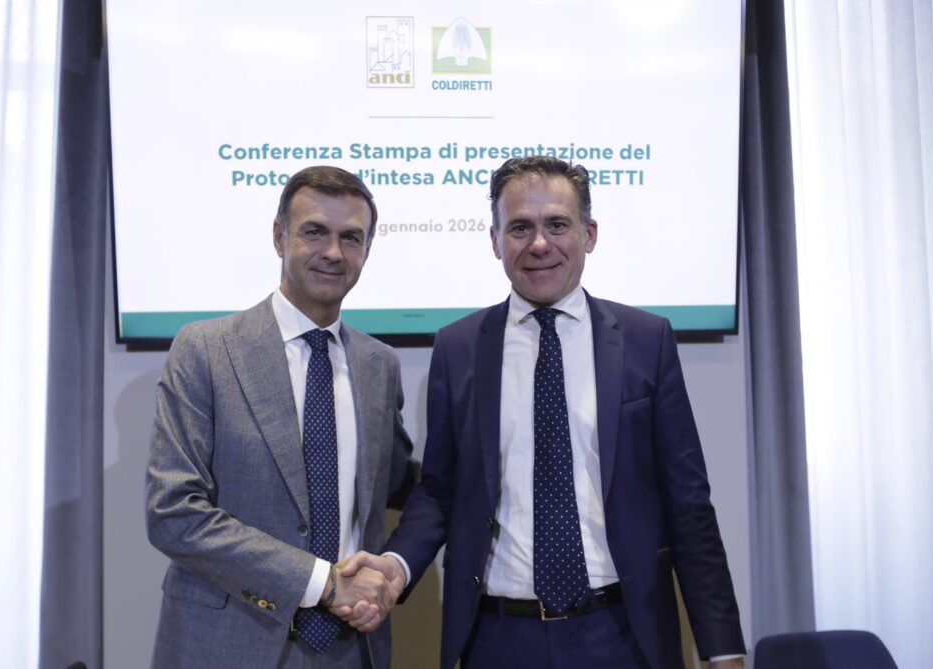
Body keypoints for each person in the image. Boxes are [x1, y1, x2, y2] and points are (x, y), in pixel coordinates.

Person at [340, 156, 746, 668]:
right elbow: (441, 491)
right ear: (495, 241)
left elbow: (688, 506)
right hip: (498, 638)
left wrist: (724, 648)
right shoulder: (458, 349)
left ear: (589, 234)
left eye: (557, 224)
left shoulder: (647, 341)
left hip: (622, 633)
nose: (538, 244)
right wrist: (397, 565)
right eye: (519, 228)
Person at [145, 165, 417, 669]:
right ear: (278, 236)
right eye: (314, 231)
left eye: (350, 238)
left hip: (351, 647)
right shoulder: (205, 350)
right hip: (228, 644)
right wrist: (323, 583)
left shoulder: (379, 365)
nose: (333, 252)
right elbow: (174, 513)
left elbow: (398, 485)